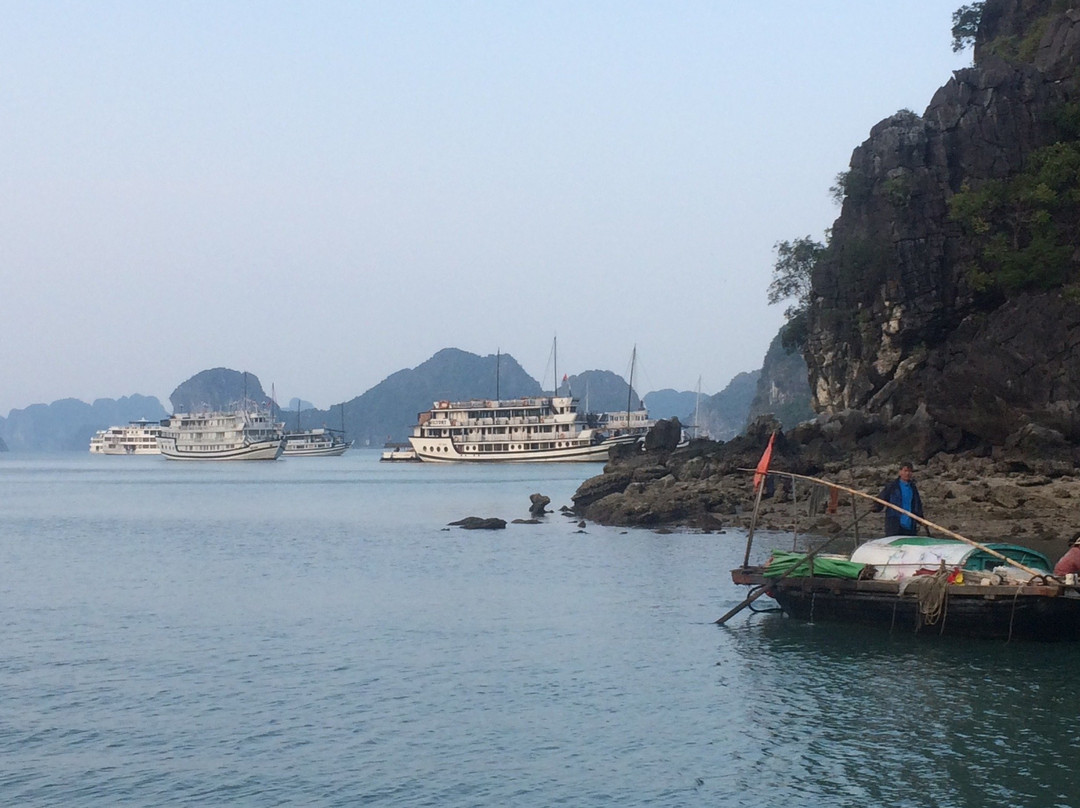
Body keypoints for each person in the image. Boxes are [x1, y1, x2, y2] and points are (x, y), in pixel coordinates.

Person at [871, 462, 924, 536]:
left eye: (910, 471)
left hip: (909, 524)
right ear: (900, 472)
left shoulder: (913, 487)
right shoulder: (892, 486)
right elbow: (882, 498)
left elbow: (917, 504)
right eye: (905, 471)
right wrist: (876, 506)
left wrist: (921, 519)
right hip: (894, 523)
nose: (907, 473)